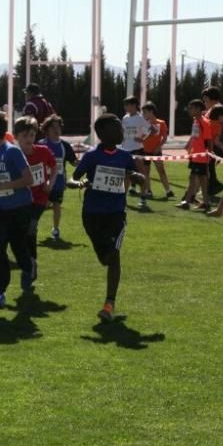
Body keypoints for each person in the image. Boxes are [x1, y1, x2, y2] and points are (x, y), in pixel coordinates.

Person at [72, 114, 144, 321]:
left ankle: (109, 304)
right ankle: (109, 299)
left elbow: (133, 175)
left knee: (113, 256)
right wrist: (80, 183)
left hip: (116, 214)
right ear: (103, 133)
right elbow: (74, 177)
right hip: (92, 215)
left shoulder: (125, 157)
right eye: (118, 128)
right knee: (105, 258)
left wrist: (137, 177)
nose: (122, 132)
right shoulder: (92, 157)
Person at [0, 112, 35, 308]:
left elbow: (29, 179)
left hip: (19, 208)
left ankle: (28, 267)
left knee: (19, 247)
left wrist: (4, 186)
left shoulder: (12, 152)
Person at [15, 116, 56, 283]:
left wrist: (50, 183)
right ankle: (28, 260)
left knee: (31, 227)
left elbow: (54, 168)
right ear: (17, 137)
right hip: (20, 200)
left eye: (31, 135)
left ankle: (31, 262)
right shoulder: (13, 155)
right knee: (22, 233)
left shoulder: (43, 151)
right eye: (24, 136)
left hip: (39, 197)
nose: (28, 139)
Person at [39, 115, 78, 240]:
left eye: (58, 127)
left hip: (59, 183)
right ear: (47, 130)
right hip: (42, 183)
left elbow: (73, 162)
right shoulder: (41, 145)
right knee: (40, 206)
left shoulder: (65, 146)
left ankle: (55, 229)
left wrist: (87, 163)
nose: (56, 130)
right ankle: (32, 226)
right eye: (53, 128)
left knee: (57, 205)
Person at [177, 100, 210, 210]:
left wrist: (208, 154)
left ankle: (187, 201)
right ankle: (205, 203)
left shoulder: (204, 122)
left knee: (195, 178)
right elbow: (194, 136)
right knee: (201, 179)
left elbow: (208, 140)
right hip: (195, 155)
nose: (189, 110)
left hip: (200, 157)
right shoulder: (195, 121)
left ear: (198, 109)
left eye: (191, 108)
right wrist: (188, 146)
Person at [138, 102, 174, 199]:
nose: (143, 114)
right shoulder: (143, 124)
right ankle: (148, 190)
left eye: (145, 112)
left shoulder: (161, 123)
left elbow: (164, 138)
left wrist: (159, 147)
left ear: (151, 111)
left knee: (161, 171)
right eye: (143, 112)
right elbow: (141, 137)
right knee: (146, 172)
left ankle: (168, 191)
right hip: (145, 151)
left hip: (156, 151)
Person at [120, 96, 151, 208]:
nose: (125, 107)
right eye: (125, 105)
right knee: (126, 176)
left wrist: (143, 138)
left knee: (141, 175)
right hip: (126, 151)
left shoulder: (140, 118)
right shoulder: (125, 118)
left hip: (137, 150)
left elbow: (151, 129)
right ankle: (123, 198)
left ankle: (143, 199)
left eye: (127, 105)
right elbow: (123, 132)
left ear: (134, 105)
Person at [202, 86, 223, 198]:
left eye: (206, 99)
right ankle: (211, 188)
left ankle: (212, 188)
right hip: (212, 146)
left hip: (215, 147)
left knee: (206, 169)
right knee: (207, 169)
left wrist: (221, 147)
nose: (204, 102)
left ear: (213, 100)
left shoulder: (218, 111)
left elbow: (218, 134)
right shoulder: (211, 111)